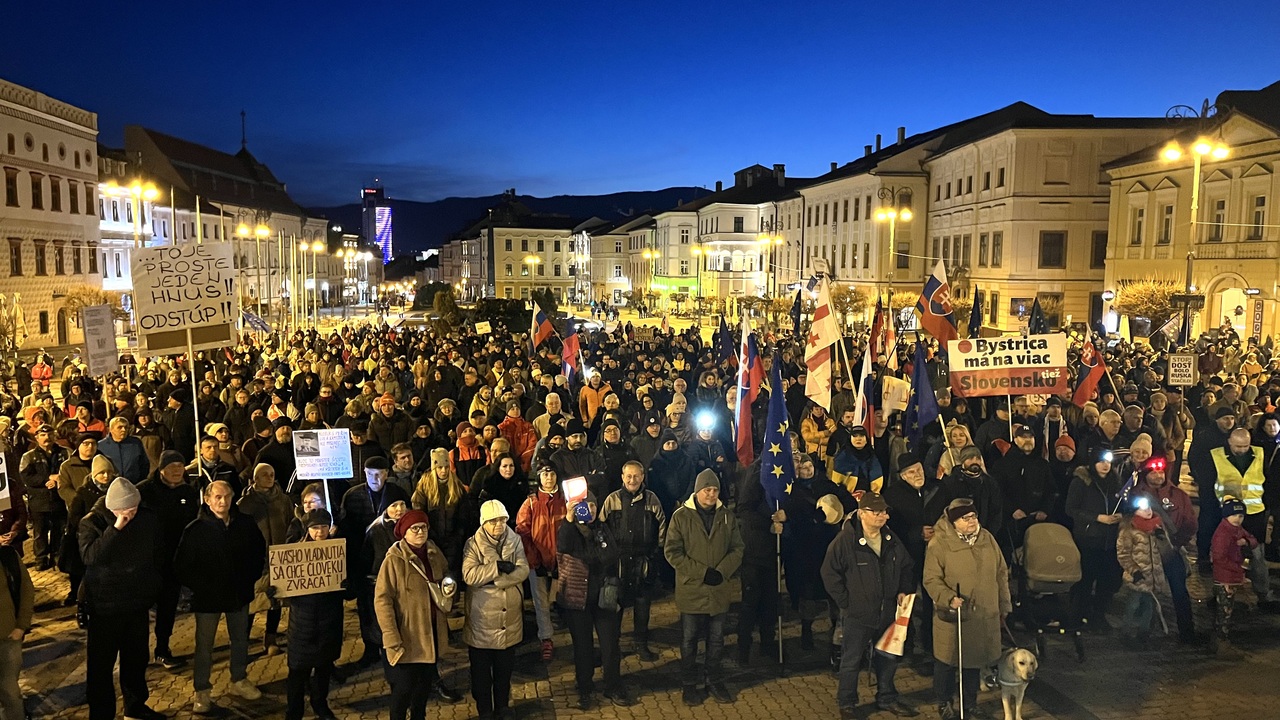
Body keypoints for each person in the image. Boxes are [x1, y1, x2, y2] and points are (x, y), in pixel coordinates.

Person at [821, 492, 917, 719]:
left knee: (888, 657)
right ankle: (847, 703)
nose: (883, 516)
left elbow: (906, 566)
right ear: (862, 514)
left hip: (887, 613)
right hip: (858, 614)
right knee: (851, 660)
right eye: (877, 512)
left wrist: (903, 589)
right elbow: (829, 573)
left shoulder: (891, 540)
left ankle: (886, 697)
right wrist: (846, 603)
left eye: (884, 512)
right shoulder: (845, 542)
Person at [175, 480, 268, 713]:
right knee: (204, 646)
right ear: (207, 499)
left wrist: (250, 578)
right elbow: (182, 565)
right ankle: (202, 691)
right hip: (208, 598)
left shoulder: (245, 524)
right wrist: (201, 586)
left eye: (227, 496)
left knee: (240, 639)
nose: (223, 501)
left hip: (238, 593)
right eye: (217, 497)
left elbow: (258, 552)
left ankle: (239, 679)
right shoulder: (195, 529)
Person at [79, 478, 167, 720]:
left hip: (136, 603)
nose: (131, 514)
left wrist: (152, 585)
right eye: (125, 510)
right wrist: (115, 529)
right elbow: (90, 557)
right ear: (112, 508)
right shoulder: (92, 522)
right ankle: (101, 713)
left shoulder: (147, 518)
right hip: (105, 607)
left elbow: (157, 552)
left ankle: (135, 708)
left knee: (136, 661)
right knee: (100, 667)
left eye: (134, 509)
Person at [923, 498, 1012, 720]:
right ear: (954, 522)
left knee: (973, 662)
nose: (972, 521)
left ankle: (969, 703)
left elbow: (1001, 573)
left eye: (974, 516)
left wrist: (1004, 604)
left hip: (983, 613)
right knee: (946, 662)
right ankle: (944, 702)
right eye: (966, 518)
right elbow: (931, 579)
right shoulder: (939, 544)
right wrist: (948, 597)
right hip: (954, 616)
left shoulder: (987, 538)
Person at [664, 469, 744, 706]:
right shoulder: (680, 517)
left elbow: (737, 548)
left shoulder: (727, 516)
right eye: (707, 489)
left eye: (715, 490)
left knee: (717, 639)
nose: (711, 494)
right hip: (693, 590)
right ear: (697, 491)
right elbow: (672, 552)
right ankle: (689, 684)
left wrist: (721, 572)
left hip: (718, 589)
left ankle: (714, 680)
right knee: (689, 641)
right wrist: (701, 573)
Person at [374, 509, 456, 720]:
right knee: (402, 692)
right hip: (407, 636)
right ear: (404, 532)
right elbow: (383, 600)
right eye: (414, 528)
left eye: (424, 527)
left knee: (422, 690)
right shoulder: (393, 560)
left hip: (430, 633)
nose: (420, 532)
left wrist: (448, 585)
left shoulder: (433, 552)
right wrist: (390, 636)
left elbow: (445, 572)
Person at [556, 492, 627, 709]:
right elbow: (564, 546)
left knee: (610, 645)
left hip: (603, 597)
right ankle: (584, 687)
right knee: (583, 647)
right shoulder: (568, 529)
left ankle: (612, 685)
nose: (590, 511)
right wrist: (569, 520)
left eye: (593, 506)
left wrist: (595, 547)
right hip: (577, 598)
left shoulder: (602, 529)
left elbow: (610, 555)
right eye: (585, 507)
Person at [462, 500, 530, 720]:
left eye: (501, 520)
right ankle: (485, 711)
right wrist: (497, 568)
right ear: (484, 523)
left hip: (509, 620)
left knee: (504, 672)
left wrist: (493, 581)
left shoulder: (515, 540)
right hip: (482, 620)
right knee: (481, 675)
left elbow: (523, 571)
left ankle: (502, 706)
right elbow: (469, 575)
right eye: (493, 521)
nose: (498, 525)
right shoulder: (473, 544)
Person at [341, 455, 412, 666]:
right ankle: (370, 649)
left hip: (388, 558)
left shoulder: (397, 494)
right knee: (367, 610)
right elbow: (346, 528)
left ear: (387, 474)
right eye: (371, 474)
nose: (375, 478)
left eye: (380, 474)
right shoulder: (352, 496)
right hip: (361, 561)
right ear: (364, 473)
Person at [137, 450, 200, 669]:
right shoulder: (144, 491)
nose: (176, 471)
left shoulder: (189, 493)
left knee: (167, 608)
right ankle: (137, 652)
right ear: (161, 469)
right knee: (141, 609)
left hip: (174, 562)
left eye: (180, 466)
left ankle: (162, 649)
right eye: (171, 466)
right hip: (149, 561)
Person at [599, 459, 667, 662]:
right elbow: (601, 529)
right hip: (617, 563)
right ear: (622, 477)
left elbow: (662, 527)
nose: (632, 479)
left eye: (636, 475)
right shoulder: (612, 500)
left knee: (642, 606)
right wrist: (607, 557)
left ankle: (641, 644)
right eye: (628, 475)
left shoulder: (652, 499)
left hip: (643, 562)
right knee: (615, 608)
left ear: (643, 477)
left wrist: (655, 556)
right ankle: (613, 647)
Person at [284, 509, 344, 720]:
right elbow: (284, 586)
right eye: (315, 527)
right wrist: (277, 589)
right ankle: (294, 711)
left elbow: (350, 589)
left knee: (323, 668)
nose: (320, 532)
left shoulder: (339, 551)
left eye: (324, 527)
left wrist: (346, 585)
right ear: (307, 529)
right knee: (298, 672)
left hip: (329, 621)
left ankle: (320, 704)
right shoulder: (294, 553)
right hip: (303, 622)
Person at [1207, 428, 1276, 603]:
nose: (1242, 449)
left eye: (1245, 446)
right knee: (1224, 554)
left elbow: (1268, 480)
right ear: (1229, 441)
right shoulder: (1216, 455)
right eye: (1238, 446)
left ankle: (1263, 594)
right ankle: (1221, 594)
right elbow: (1208, 482)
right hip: (1228, 515)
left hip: (1254, 513)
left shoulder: (1260, 454)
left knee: (1258, 555)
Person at [237, 462, 295, 656]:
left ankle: (270, 638)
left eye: (272, 474)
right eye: (264, 475)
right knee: (252, 602)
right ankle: (242, 642)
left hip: (278, 558)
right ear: (255, 478)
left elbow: (290, 523)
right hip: (255, 561)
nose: (269, 478)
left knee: (276, 600)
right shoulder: (245, 503)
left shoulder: (283, 500)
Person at [1066, 446, 1123, 631]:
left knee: (1105, 582)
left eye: (1108, 462)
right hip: (1088, 539)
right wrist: (1097, 517)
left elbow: (1121, 503)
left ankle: (1098, 616)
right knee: (1085, 579)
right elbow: (1071, 509)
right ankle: (1076, 616)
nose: (1105, 466)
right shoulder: (1081, 481)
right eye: (1101, 462)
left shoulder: (1115, 481)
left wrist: (1120, 515)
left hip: (1109, 540)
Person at [515, 463, 566, 661]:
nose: (549, 478)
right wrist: (533, 558)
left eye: (552, 473)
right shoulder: (531, 502)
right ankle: (546, 638)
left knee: (565, 599)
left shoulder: (567, 500)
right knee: (540, 603)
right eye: (545, 474)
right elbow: (523, 530)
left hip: (562, 560)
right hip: (537, 561)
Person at [1115, 494, 1170, 644]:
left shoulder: (1156, 527)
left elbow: (1165, 551)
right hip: (1138, 576)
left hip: (1152, 576)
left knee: (1149, 606)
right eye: (1142, 509)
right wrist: (1134, 571)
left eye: (1149, 508)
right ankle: (1126, 632)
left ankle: (1143, 632)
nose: (1148, 511)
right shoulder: (1128, 530)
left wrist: (1162, 538)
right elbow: (1123, 554)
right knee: (1133, 604)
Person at [1210, 497, 1255, 656]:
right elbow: (1219, 558)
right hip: (1225, 579)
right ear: (1226, 515)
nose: (1238, 519)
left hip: (1232, 577)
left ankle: (1218, 641)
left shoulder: (1237, 530)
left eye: (1241, 516)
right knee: (1224, 612)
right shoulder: (1223, 533)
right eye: (1235, 515)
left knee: (1225, 610)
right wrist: (1238, 569)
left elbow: (1253, 540)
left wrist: (1246, 541)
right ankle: (1221, 644)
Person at [20, 425, 65, 570]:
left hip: (59, 499)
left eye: (50, 434)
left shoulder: (64, 453)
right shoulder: (29, 456)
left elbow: (68, 471)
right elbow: (26, 477)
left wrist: (58, 479)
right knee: (40, 532)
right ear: (37, 437)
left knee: (59, 529)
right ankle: (41, 558)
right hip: (39, 500)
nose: (47, 438)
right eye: (43, 435)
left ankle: (57, 555)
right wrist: (47, 479)